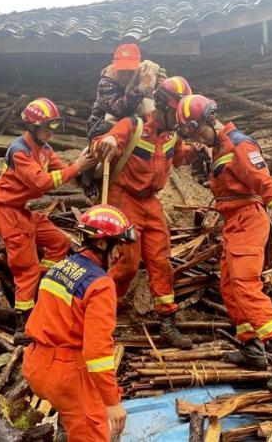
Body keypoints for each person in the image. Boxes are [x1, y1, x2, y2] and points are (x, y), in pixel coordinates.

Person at [175, 94, 272, 392]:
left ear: (210, 120)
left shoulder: (239, 145)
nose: (197, 139)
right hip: (232, 222)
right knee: (229, 287)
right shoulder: (216, 146)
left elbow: (266, 185)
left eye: (197, 132)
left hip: (248, 220)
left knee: (246, 285)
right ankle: (251, 348)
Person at [91, 76, 197, 349]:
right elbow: (101, 143)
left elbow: (179, 156)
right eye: (176, 111)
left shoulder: (172, 135)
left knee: (161, 261)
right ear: (161, 106)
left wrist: (197, 151)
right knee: (127, 262)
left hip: (150, 202)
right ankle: (101, 316)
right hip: (124, 198)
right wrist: (110, 142)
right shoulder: (133, 125)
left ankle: (167, 323)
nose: (179, 117)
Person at [22, 205, 136, 441]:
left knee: (72, 417)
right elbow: (97, 353)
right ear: (103, 244)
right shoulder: (100, 284)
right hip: (67, 374)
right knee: (94, 433)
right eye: (118, 246)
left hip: (36, 363)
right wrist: (112, 402)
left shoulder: (60, 267)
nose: (119, 255)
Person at [0, 98, 97, 341]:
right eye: (47, 126)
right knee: (26, 268)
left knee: (58, 241)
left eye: (54, 126)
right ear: (32, 126)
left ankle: (42, 286)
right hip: (7, 213)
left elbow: (65, 171)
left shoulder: (45, 150)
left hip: (22, 211)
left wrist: (87, 167)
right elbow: (41, 182)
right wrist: (77, 167)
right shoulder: (19, 152)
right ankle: (22, 324)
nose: (51, 132)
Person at [86, 43, 165, 140]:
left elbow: (160, 71)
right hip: (102, 126)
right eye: (121, 71)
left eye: (130, 71)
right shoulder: (106, 83)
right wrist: (141, 86)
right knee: (106, 131)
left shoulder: (141, 72)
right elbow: (122, 111)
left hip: (130, 123)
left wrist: (160, 83)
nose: (125, 76)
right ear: (114, 64)